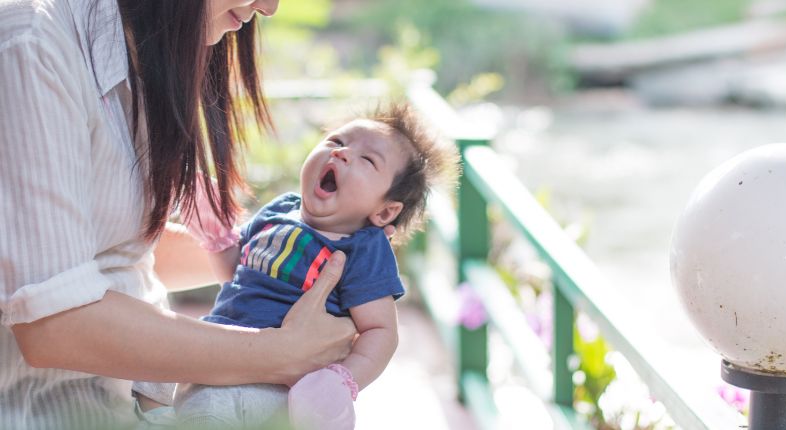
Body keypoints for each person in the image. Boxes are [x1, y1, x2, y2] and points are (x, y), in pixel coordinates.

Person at [0, 0, 362, 428]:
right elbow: (54, 323)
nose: (268, 7)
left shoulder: (134, 55)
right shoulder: (32, 43)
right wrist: (281, 353)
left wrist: (292, 255)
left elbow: (117, 256)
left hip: (131, 403)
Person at [132, 103, 459, 429]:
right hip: (221, 353)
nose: (342, 154)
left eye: (368, 160)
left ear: (386, 212)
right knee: (147, 370)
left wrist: (342, 381)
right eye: (337, 141)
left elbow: (381, 330)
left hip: (282, 386)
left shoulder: (363, 248)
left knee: (208, 412)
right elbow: (235, 274)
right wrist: (216, 233)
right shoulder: (279, 210)